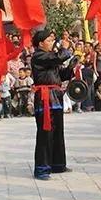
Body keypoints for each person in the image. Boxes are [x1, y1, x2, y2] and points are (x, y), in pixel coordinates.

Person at [30, 29, 76, 180]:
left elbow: (60, 75)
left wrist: (71, 67)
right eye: (49, 41)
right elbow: (59, 57)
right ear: (41, 43)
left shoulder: (49, 58)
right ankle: (42, 169)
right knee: (45, 134)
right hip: (45, 97)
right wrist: (64, 48)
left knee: (58, 132)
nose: (51, 43)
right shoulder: (38, 55)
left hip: (55, 96)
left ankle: (58, 164)